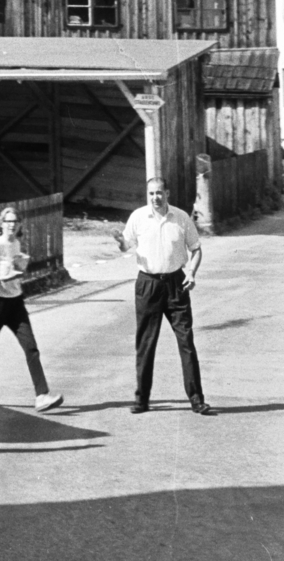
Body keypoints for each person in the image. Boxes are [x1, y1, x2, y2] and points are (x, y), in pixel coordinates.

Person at [119, 176, 214, 415]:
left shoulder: (181, 218)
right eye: (151, 194)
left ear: (167, 193)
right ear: (147, 195)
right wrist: (119, 242)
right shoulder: (138, 217)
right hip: (148, 285)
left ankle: (196, 399)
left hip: (176, 284)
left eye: (159, 193)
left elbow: (196, 248)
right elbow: (125, 245)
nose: (155, 198)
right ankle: (141, 400)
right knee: (145, 344)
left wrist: (191, 272)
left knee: (186, 342)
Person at [0, 204, 63, 412]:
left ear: (19, 225)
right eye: (7, 221)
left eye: (15, 222)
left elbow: (14, 272)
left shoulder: (16, 244)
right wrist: (6, 277)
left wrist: (18, 272)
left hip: (16, 303)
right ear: (1, 224)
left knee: (31, 348)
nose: (11, 225)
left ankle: (42, 395)